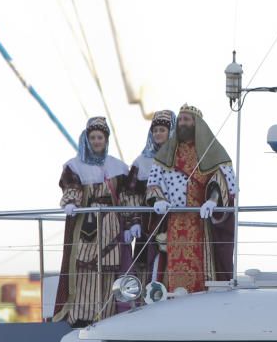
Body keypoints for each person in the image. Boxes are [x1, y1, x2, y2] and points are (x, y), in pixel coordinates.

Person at [147, 105, 237, 292]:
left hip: (201, 222)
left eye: (186, 120)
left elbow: (222, 178)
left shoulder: (211, 151)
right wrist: (158, 200)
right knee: (170, 265)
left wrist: (213, 200)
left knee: (202, 264)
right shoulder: (165, 153)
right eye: (180, 120)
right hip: (173, 221)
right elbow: (154, 182)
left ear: (196, 124)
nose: (182, 124)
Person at [54, 116, 133, 325]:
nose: (97, 141)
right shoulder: (75, 166)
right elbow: (71, 186)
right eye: (93, 137)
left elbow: (126, 197)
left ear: (106, 140)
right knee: (83, 266)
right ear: (86, 140)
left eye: (100, 137)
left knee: (108, 267)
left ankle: (106, 315)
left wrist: (131, 221)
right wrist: (71, 202)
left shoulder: (118, 167)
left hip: (111, 223)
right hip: (85, 223)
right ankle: (81, 315)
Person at [125, 110, 175, 282]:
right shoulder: (141, 162)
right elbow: (131, 195)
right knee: (146, 264)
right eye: (155, 130)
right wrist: (134, 221)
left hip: (175, 219)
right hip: (148, 223)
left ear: (171, 132)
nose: (158, 134)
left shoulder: (182, 158)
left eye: (162, 130)